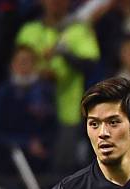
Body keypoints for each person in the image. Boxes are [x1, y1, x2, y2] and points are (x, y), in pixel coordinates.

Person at [15, 0, 100, 172]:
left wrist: (65, 54)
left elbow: (90, 64)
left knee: (61, 169)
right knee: (30, 165)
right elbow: (17, 65)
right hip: (30, 110)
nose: (55, 3)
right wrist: (39, 75)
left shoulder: (79, 30)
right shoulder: (29, 30)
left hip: (67, 111)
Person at [0, 45, 56, 173]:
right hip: (9, 159)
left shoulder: (45, 92)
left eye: (28, 61)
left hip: (42, 161)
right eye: (20, 62)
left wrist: (42, 143)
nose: (24, 66)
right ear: (12, 65)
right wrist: (25, 144)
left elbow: (53, 126)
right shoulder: (3, 93)